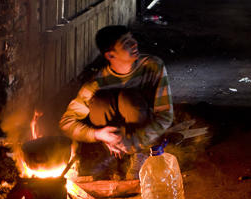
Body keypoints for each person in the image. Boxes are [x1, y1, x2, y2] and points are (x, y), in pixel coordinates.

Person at [60, 25, 175, 178]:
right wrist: (98, 134)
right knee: (100, 100)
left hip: (142, 136)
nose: (134, 44)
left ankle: (139, 155)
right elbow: (66, 122)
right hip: (113, 140)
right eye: (126, 43)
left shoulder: (152, 66)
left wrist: (135, 142)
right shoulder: (96, 83)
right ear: (110, 55)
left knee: (128, 99)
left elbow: (165, 115)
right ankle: (115, 157)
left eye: (132, 39)